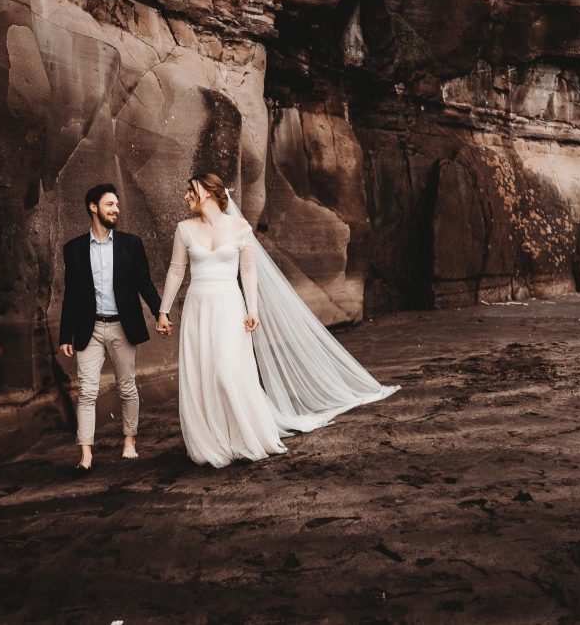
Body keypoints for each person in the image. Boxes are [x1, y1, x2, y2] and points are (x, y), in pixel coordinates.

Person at [157, 173, 399, 467]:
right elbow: (175, 270)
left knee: (226, 372)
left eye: (190, 189)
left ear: (208, 192)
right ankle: (215, 441)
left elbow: (248, 271)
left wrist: (252, 309)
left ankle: (245, 436)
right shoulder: (184, 229)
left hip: (228, 307)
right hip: (198, 308)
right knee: (203, 373)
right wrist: (163, 310)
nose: (186, 196)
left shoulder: (240, 227)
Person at [59, 183, 163, 471]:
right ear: (94, 207)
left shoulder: (131, 244)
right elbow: (71, 294)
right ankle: (86, 454)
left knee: (127, 388)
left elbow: (145, 284)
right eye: (109, 204)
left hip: (121, 326)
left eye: (117, 205)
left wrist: (160, 313)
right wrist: (65, 334)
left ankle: (129, 442)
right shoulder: (74, 249)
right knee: (87, 392)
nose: (116, 209)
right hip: (88, 329)